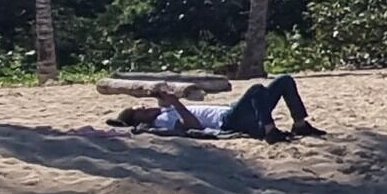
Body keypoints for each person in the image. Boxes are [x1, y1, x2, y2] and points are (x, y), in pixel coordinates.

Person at [113, 75, 322, 140]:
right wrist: (176, 102)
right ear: (141, 119)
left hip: (233, 112)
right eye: (140, 109)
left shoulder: (163, 111)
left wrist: (164, 96)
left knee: (284, 80)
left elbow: (162, 99)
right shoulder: (161, 120)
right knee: (257, 89)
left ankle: (300, 124)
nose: (143, 106)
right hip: (228, 120)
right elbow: (192, 125)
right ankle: (269, 131)